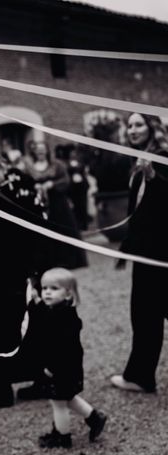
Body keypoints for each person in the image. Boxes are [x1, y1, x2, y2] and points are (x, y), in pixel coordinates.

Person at [0, 150, 52, 410]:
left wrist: (38, 273)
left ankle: (9, 385)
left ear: (3, 168)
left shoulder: (23, 191)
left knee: (26, 323)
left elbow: (39, 232)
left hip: (20, 269)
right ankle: (9, 382)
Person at [111, 113, 168, 394]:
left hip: (159, 251)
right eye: (130, 125)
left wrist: (153, 177)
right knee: (148, 313)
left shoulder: (161, 156)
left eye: (139, 124)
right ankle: (140, 375)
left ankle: (140, 376)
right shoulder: (141, 158)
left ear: (152, 128)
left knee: (146, 313)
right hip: (149, 249)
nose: (133, 130)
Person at [30, 268, 107, 448]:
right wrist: (36, 303)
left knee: (58, 403)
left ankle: (62, 437)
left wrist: (52, 367)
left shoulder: (63, 318)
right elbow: (41, 317)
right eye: (44, 288)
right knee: (67, 397)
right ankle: (94, 417)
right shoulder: (56, 310)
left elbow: (62, 348)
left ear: (68, 294)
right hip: (66, 368)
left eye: (54, 288)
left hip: (61, 368)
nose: (47, 292)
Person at [23, 141, 87, 269]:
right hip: (39, 203)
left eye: (43, 150)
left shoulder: (57, 165)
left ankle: (67, 260)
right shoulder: (30, 167)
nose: (40, 152)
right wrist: (34, 186)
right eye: (38, 150)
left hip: (57, 202)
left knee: (62, 227)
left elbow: (66, 180)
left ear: (47, 151)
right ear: (34, 152)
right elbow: (25, 181)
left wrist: (52, 184)